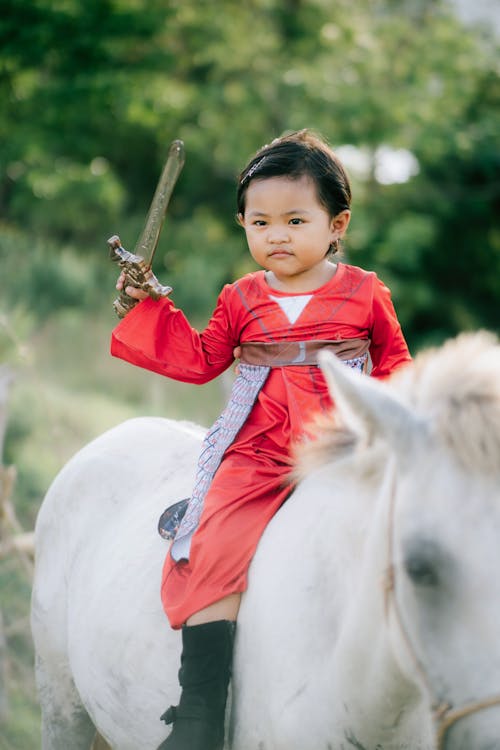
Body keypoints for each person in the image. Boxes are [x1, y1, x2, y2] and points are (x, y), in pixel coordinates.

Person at [110, 129, 412, 750]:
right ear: (244, 226)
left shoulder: (363, 293)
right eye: (260, 222)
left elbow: (396, 374)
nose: (276, 235)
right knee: (209, 541)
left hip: (345, 445)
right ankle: (198, 711)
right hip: (259, 450)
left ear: (337, 224)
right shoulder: (241, 297)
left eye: (295, 220)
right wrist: (148, 309)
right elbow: (199, 359)